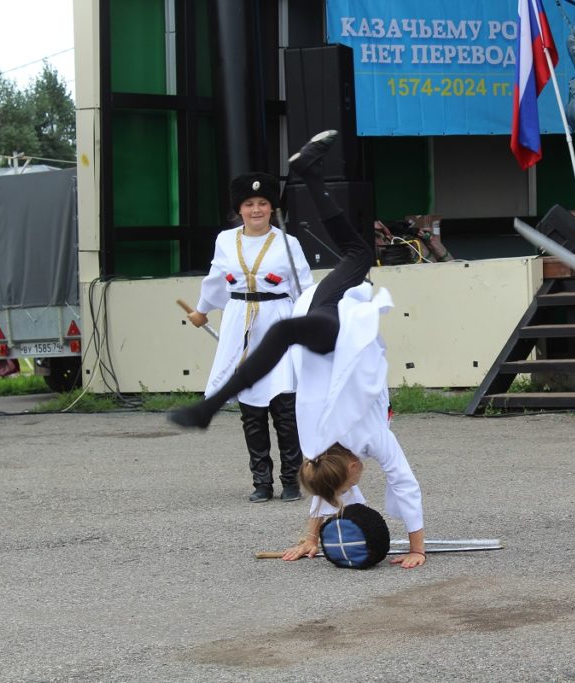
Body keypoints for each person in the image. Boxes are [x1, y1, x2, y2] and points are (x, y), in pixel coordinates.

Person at [170, 131, 426, 568]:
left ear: (347, 469)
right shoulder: (332, 445)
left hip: (329, 337)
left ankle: (210, 405)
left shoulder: (336, 446)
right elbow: (377, 485)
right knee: (354, 256)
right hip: (329, 335)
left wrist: (314, 537)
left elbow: (388, 483)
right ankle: (307, 173)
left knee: (323, 290)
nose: (347, 492)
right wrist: (412, 549)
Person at [185, 171, 313, 503]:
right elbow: (215, 281)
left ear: (272, 208)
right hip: (239, 322)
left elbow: (304, 289)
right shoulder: (225, 241)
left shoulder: (289, 243)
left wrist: (311, 326)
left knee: (284, 405)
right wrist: (201, 311)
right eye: (249, 204)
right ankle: (261, 481)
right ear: (239, 209)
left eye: (263, 204)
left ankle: (292, 479)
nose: (256, 210)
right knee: (250, 407)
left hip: (279, 322)